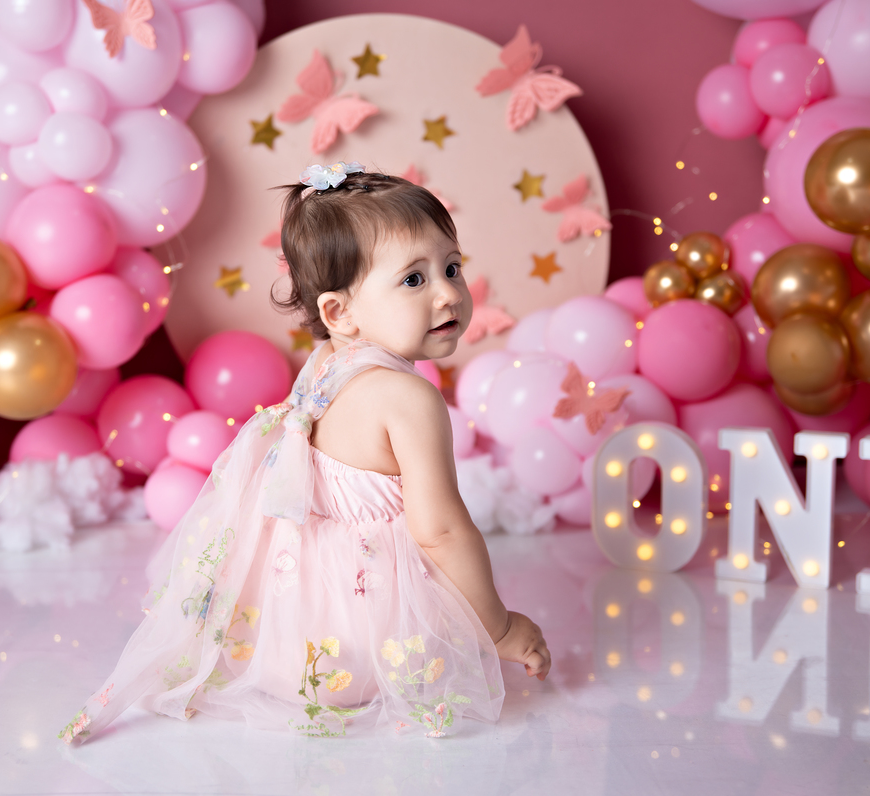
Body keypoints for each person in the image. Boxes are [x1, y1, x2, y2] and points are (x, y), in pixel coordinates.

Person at [60, 162, 550, 742]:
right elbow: (440, 531)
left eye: (452, 267)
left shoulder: (324, 365)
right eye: (414, 280)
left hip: (280, 638)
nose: (448, 294)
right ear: (339, 312)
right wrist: (497, 628)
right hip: (363, 649)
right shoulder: (409, 398)